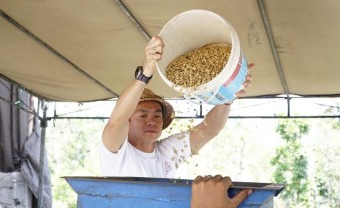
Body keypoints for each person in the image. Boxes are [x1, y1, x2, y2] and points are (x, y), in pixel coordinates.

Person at [100, 35, 254, 178]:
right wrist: (145, 73)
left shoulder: (167, 152)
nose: (152, 121)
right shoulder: (117, 149)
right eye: (142, 115)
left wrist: (228, 96)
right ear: (127, 121)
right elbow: (115, 124)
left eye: (157, 115)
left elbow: (210, 130)